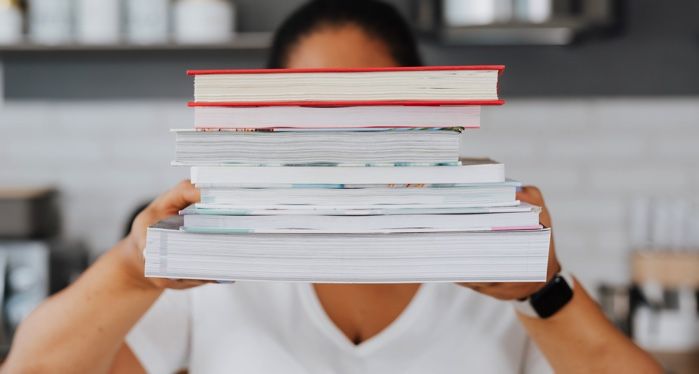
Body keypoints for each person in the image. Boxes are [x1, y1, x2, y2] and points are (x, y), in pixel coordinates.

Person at [2, 1, 662, 373]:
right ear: (264, 121)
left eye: (369, 113)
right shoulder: (212, 265)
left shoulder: (488, 261)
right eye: (313, 115)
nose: (341, 144)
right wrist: (134, 267)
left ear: (422, 113)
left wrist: (543, 291)